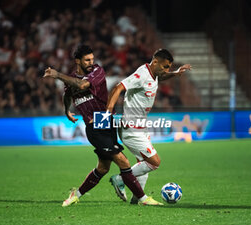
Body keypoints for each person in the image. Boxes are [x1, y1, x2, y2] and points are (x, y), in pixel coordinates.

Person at [42, 44, 163, 206]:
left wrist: (57, 74)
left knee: (103, 168)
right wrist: (66, 110)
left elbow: (82, 85)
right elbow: (67, 94)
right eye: (87, 60)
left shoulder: (97, 71)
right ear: (77, 61)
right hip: (94, 126)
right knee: (123, 161)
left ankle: (75, 195)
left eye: (92, 59)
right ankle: (143, 199)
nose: (91, 62)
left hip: (107, 122)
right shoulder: (70, 79)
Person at [106, 48, 191, 203]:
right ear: (155, 61)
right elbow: (118, 87)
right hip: (131, 128)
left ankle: (136, 199)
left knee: (143, 164)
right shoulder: (142, 75)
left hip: (140, 126)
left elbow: (161, 76)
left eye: (169, 67)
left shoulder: (154, 73)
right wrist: (108, 112)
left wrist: (175, 73)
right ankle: (119, 179)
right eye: (165, 66)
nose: (166, 70)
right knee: (154, 162)